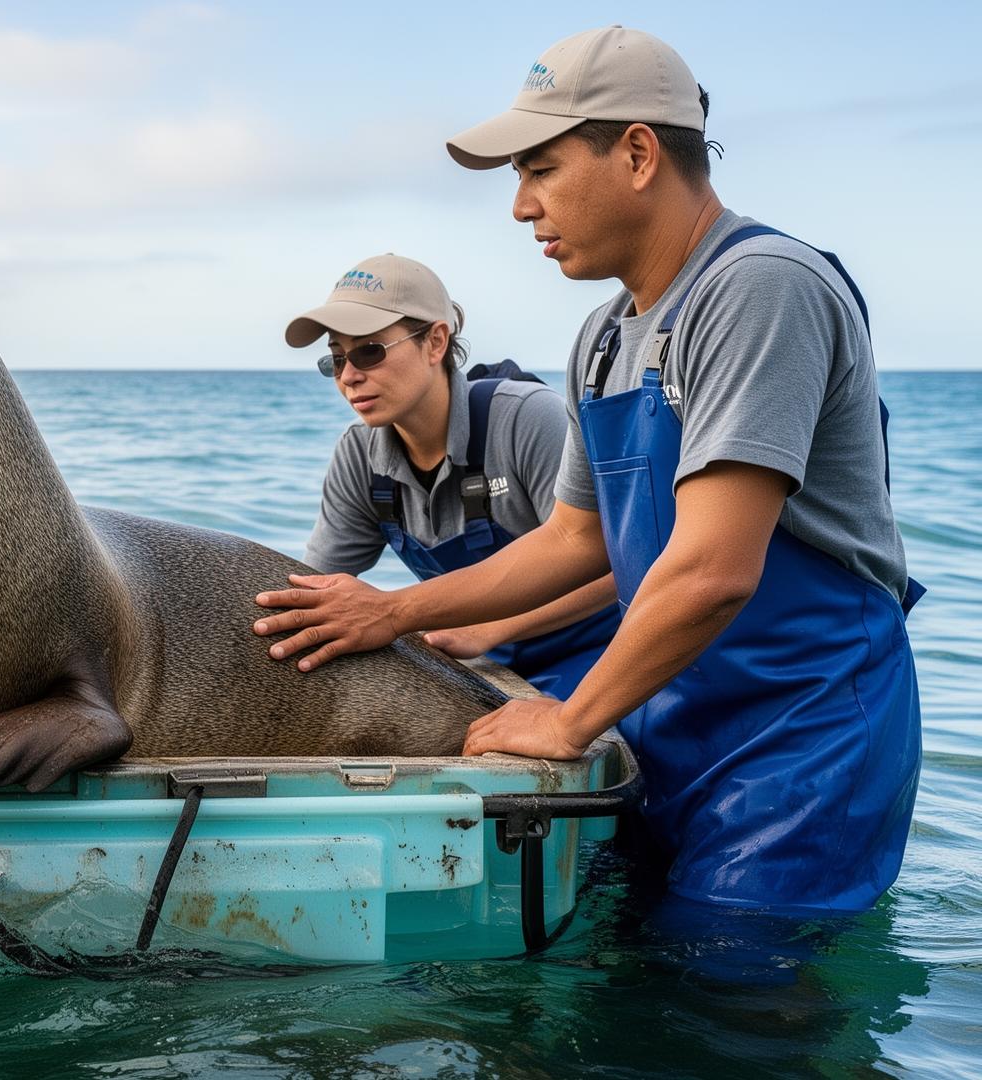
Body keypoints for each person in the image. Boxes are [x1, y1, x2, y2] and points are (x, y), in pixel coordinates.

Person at [253, 27, 923, 913]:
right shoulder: (604, 336)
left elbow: (714, 571)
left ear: (638, 152)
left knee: (737, 1009)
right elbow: (576, 537)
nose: (522, 207)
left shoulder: (761, 286)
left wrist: (568, 719)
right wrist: (393, 611)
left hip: (801, 732)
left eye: (540, 170)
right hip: (666, 711)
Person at [287, 253, 617, 697]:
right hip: (484, 665)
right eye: (335, 359)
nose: (349, 377)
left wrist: (490, 628)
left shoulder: (527, 419)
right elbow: (311, 588)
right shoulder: (358, 456)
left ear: (436, 342)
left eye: (369, 351)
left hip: (602, 653)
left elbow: (619, 567)